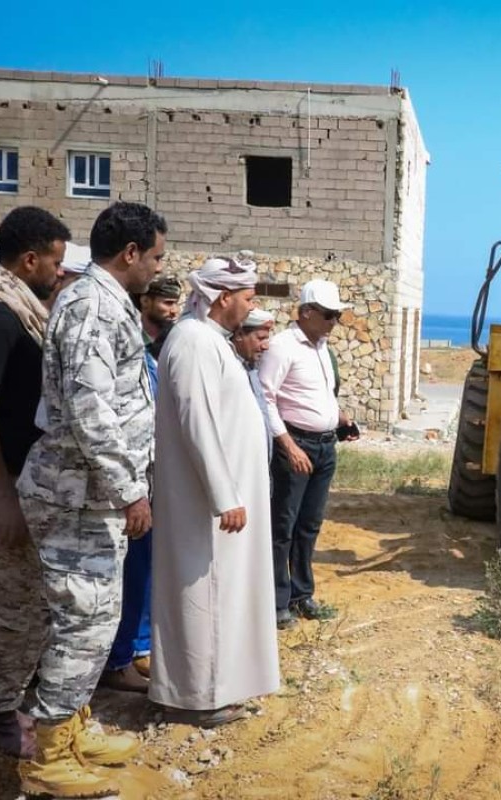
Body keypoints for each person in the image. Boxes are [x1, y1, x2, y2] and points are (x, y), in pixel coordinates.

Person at [15, 202, 165, 798]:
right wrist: (131, 490)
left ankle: (72, 728)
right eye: (155, 256)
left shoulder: (104, 304)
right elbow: (87, 409)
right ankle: (48, 760)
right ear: (130, 253)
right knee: (83, 622)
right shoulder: (92, 306)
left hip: (92, 496)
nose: (157, 268)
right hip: (79, 496)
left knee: (95, 622)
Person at [150, 256, 279, 728]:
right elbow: (196, 422)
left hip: (223, 501)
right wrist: (225, 495)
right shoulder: (193, 341)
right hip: (204, 505)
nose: (253, 304)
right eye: (248, 297)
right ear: (223, 297)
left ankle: (212, 688)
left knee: (219, 597)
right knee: (203, 596)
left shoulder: (209, 340)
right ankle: (194, 697)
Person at [0, 209, 69, 760]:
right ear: (29, 260)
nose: (58, 271)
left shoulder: (18, 311)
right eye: (55, 260)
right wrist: (3, 495)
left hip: (10, 479)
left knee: (12, 599)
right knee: (20, 606)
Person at [97, 273, 182, 691]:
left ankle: (137, 648)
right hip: (124, 482)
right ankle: (118, 659)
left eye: (174, 303)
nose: (170, 310)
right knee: (129, 573)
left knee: (144, 568)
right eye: (163, 302)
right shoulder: (126, 340)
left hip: (147, 476)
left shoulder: (162, 347)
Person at [258, 280, 354, 629]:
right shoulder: (282, 347)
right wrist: (288, 445)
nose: (334, 322)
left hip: (325, 446)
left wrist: (340, 419)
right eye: (329, 314)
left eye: (337, 315)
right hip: (296, 446)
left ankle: (302, 594)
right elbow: (265, 398)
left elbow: (320, 396)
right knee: (283, 526)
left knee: (309, 525)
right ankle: (277, 603)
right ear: (306, 313)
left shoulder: (322, 348)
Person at [232, 307, 275, 463]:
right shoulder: (229, 372)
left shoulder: (252, 370)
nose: (266, 346)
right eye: (260, 338)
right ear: (239, 335)